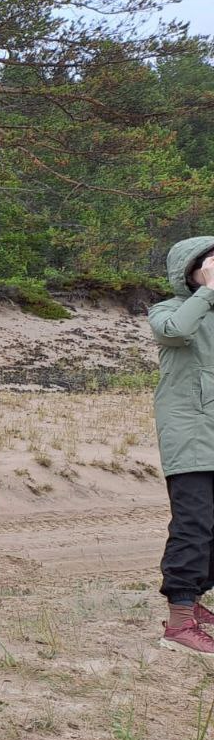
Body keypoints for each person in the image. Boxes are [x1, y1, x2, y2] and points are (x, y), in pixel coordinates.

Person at [148, 236, 214, 658]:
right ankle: (178, 622)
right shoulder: (169, 310)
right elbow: (175, 332)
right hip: (190, 438)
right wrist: (207, 291)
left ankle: (195, 604)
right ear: (188, 270)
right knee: (194, 525)